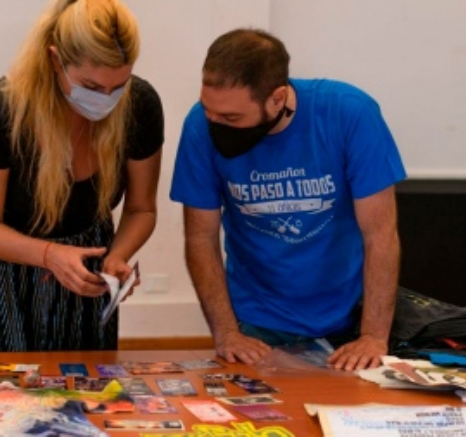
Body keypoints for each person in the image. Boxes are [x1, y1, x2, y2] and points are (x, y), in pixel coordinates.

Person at [170, 28, 405, 371]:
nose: (215, 124)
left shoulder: (350, 114)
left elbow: (381, 233)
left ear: (277, 99)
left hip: (347, 314)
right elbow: (200, 236)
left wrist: (373, 335)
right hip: (255, 319)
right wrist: (226, 332)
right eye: (210, 111)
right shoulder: (199, 125)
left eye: (232, 118)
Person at [0, 0, 164, 352]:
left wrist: (117, 257)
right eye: (91, 85)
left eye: (118, 86)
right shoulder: (5, 109)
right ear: (56, 59)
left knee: (81, 392)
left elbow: (141, 209)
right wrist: (49, 255)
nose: (106, 100)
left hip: (84, 276)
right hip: (1, 271)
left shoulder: (141, 106)